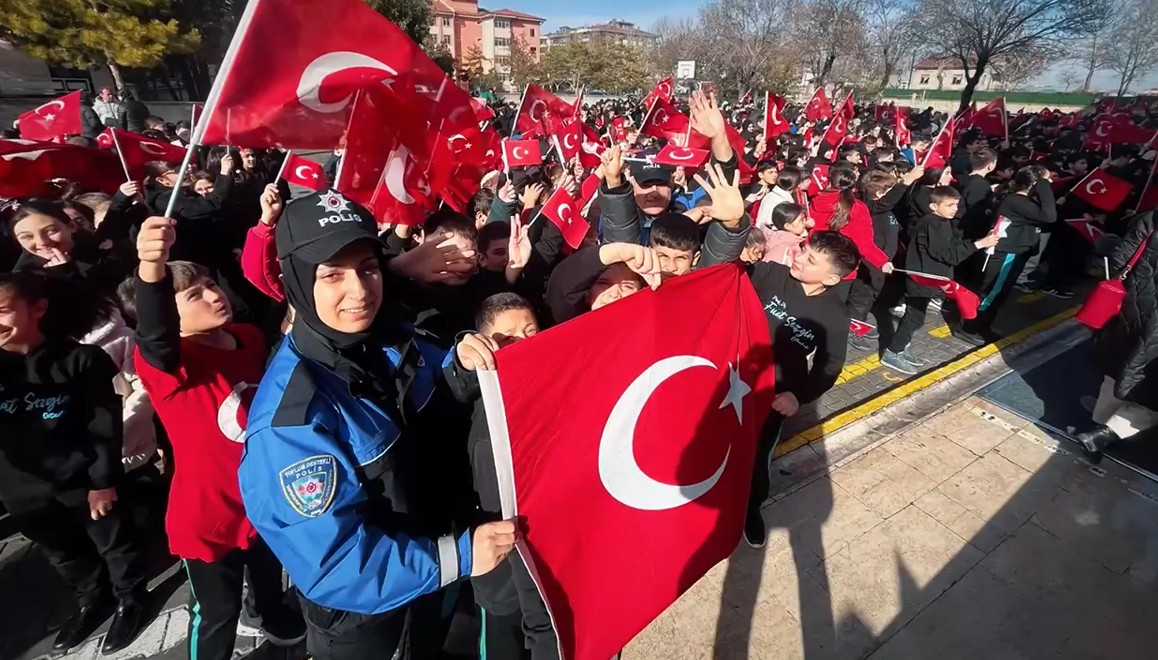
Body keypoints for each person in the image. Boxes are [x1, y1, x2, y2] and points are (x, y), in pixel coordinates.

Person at [237, 190, 517, 660]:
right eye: (332, 275)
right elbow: (335, 564)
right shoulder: (292, 418)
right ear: (297, 282)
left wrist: (462, 366)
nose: (359, 290)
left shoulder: (389, 339)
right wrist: (460, 556)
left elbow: (436, 392)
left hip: (433, 576)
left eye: (368, 269)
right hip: (368, 622)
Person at [129, 214, 305, 660]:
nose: (214, 295)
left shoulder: (246, 337)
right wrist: (151, 267)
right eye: (194, 295)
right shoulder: (169, 367)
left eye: (211, 284)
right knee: (217, 611)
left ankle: (270, 615)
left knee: (268, 573)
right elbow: (155, 336)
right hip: (209, 512)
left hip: (262, 495)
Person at [0, 272, 149, 654]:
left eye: (2, 311)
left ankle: (130, 598)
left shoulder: (81, 360)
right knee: (62, 552)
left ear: (38, 308)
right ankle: (91, 599)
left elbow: (103, 426)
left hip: (82, 479)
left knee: (114, 542)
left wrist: (103, 481)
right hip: (20, 489)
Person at [447, 293, 559, 659]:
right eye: (506, 338)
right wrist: (463, 363)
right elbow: (455, 383)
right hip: (501, 580)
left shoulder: (554, 387)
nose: (522, 343)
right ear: (485, 344)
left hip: (549, 567)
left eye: (530, 331)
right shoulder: (478, 402)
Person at [744, 231, 861, 547]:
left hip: (774, 397)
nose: (798, 257)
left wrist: (798, 396)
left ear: (832, 279)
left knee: (758, 457)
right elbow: (729, 272)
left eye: (811, 260)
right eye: (803, 250)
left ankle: (751, 508)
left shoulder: (834, 316)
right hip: (732, 378)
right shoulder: (771, 274)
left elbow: (830, 365)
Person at [880, 187, 998, 375]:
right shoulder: (932, 224)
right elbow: (946, 254)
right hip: (922, 278)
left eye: (956, 204)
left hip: (930, 278)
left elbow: (951, 246)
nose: (955, 209)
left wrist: (975, 242)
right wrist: (978, 244)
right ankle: (893, 352)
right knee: (914, 317)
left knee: (916, 317)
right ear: (934, 206)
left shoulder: (941, 222)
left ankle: (901, 347)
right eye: (950, 205)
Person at [1077, 211, 1158, 463]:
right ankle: (1105, 434)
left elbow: (1120, 258)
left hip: (1132, 305)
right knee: (1150, 387)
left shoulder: (1152, 217)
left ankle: (1099, 424)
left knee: (1119, 365)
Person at [956, 165, 1056, 345]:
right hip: (1006, 254)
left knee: (1000, 293)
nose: (1049, 183)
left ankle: (984, 325)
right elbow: (1049, 216)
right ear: (1035, 183)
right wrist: (1043, 185)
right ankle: (969, 327)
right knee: (992, 292)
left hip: (1016, 252)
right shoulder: (1016, 201)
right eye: (1046, 180)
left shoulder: (1025, 200)